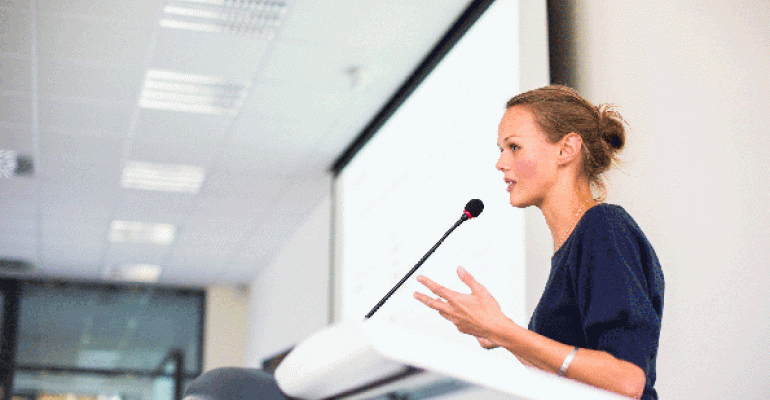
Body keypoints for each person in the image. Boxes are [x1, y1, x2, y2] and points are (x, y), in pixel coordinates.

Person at [413, 85, 664, 399]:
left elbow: (625, 381)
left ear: (566, 149)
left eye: (514, 147)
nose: (500, 163)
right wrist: (501, 335)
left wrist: (503, 330)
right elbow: (570, 384)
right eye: (500, 149)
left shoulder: (603, 228)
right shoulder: (571, 248)